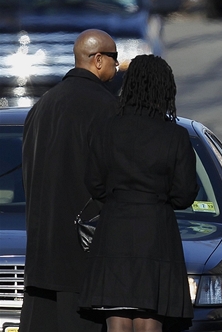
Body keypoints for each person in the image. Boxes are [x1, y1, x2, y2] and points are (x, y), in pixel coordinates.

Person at [79, 54, 198, 332]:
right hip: (156, 232)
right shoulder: (175, 136)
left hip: (114, 231)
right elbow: (184, 194)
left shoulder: (106, 128)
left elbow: (94, 183)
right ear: (165, 89)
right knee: (149, 320)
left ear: (130, 86)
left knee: (117, 320)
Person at [20, 29, 118, 332]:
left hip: (40, 255)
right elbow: (109, 179)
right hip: (82, 258)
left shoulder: (41, 107)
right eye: (115, 58)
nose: (118, 65)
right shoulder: (107, 108)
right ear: (98, 60)